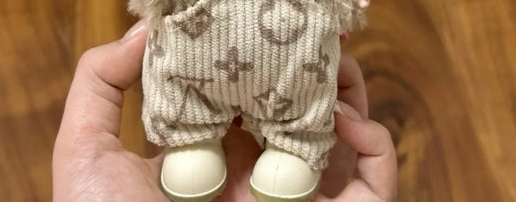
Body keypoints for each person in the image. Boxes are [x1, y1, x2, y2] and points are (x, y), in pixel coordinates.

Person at [53, 21, 397, 201]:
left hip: (290, 70)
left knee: (307, 92)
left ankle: (293, 146)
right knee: (187, 94)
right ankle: (193, 139)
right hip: (202, 71)